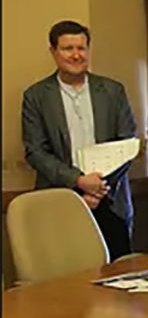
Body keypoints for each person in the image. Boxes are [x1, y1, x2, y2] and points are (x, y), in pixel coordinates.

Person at [21, 20, 138, 259]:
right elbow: (36, 151)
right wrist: (78, 181)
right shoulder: (36, 96)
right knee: (66, 274)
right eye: (68, 48)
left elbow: (127, 142)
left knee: (119, 273)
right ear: (53, 52)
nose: (76, 55)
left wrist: (98, 189)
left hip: (110, 198)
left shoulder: (113, 91)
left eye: (81, 48)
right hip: (59, 200)